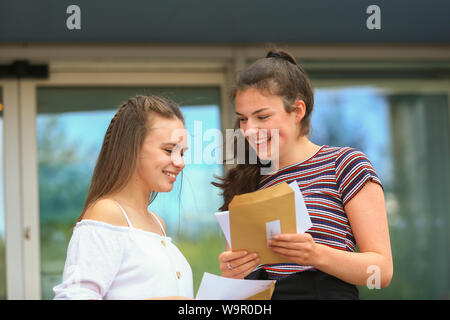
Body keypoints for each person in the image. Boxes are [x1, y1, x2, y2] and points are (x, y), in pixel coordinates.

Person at [213, 49, 393, 299]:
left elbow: (381, 272)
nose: (249, 130)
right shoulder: (248, 182)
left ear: (298, 111)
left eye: (262, 116)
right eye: (243, 119)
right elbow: (239, 287)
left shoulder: (344, 164)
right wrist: (231, 273)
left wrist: (315, 254)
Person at [53, 95, 193, 300]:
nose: (180, 162)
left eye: (182, 153)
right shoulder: (106, 213)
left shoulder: (157, 223)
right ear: (132, 147)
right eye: (169, 150)